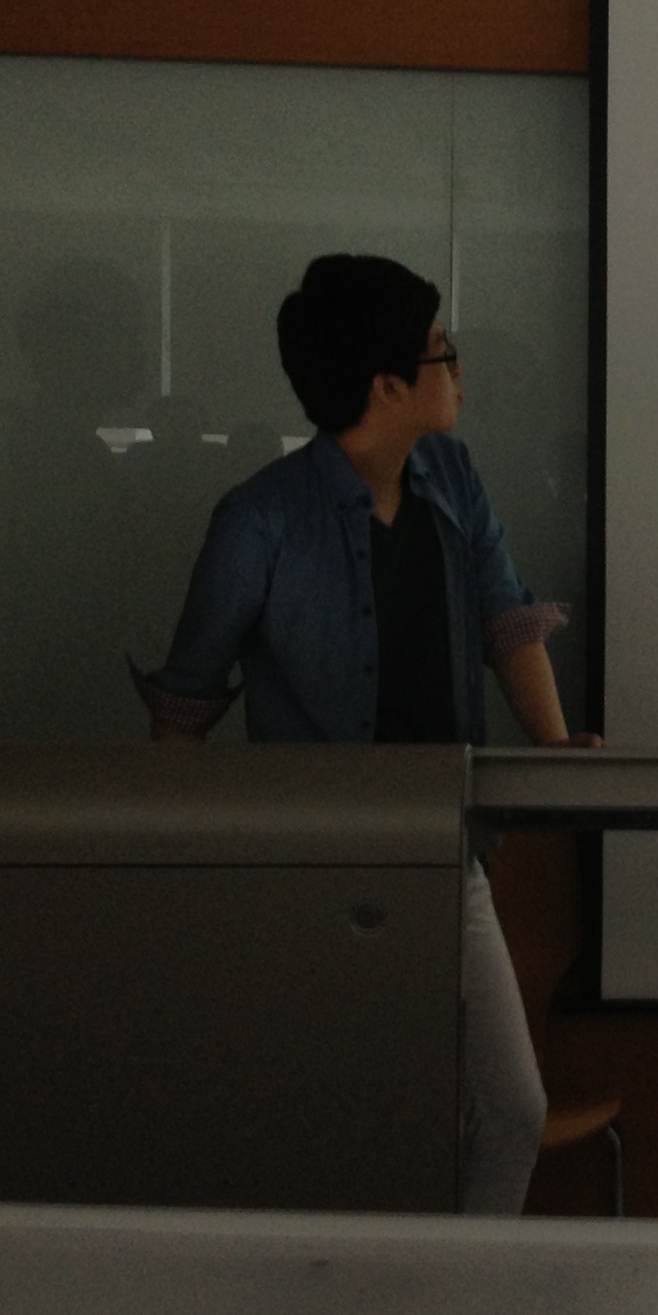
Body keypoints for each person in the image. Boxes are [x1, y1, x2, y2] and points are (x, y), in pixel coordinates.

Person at [138, 254, 587, 1215]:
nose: (458, 371)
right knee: (333, 1117)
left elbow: (508, 620)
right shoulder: (261, 518)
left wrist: (557, 759)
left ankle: (460, 1292)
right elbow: (184, 706)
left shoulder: (452, 475)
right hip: (310, 866)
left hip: (449, 846)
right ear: (386, 386)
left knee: (510, 1109)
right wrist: (185, 883)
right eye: (441, 352)